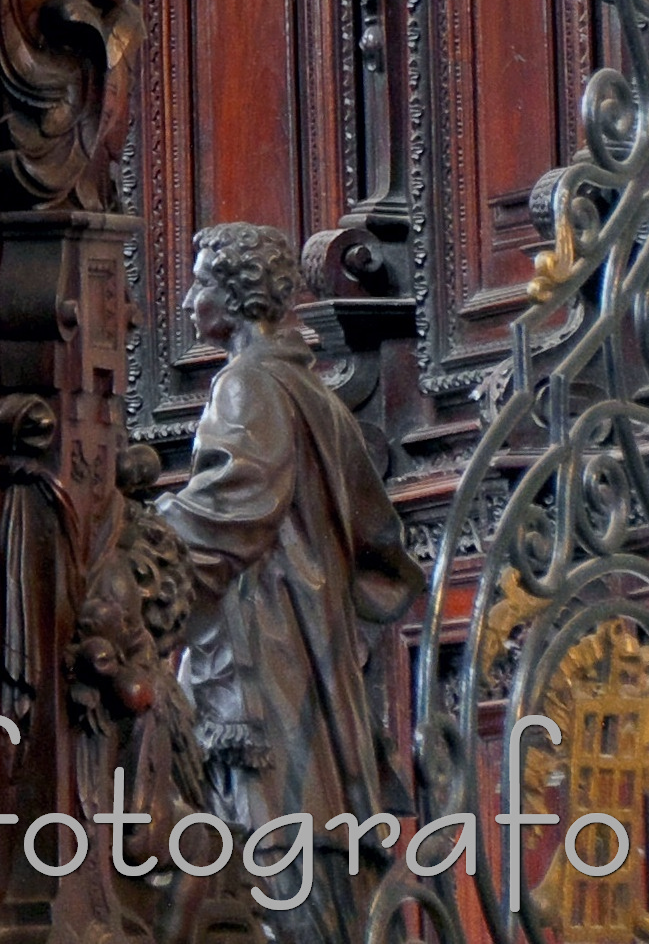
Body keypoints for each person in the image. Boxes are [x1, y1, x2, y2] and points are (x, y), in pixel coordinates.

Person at [161, 222, 419, 942]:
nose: (187, 301)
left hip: (262, 657)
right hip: (305, 650)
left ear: (236, 297)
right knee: (309, 840)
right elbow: (377, 543)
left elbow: (230, 513)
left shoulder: (249, 386)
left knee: (269, 846)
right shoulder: (312, 393)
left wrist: (132, 552)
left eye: (202, 284)